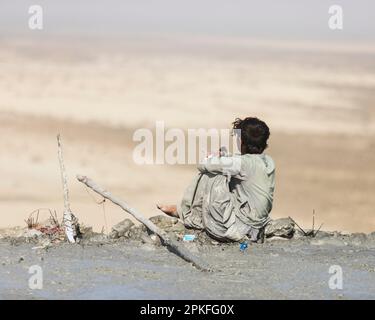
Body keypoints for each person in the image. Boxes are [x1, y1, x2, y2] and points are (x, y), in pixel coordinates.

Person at [158, 117, 275, 243]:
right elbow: (240, 162)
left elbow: (204, 165)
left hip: (240, 228)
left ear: (241, 141)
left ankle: (189, 214)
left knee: (213, 174)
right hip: (256, 225)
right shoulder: (268, 161)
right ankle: (187, 211)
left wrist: (211, 157)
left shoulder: (242, 164)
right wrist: (223, 156)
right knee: (224, 171)